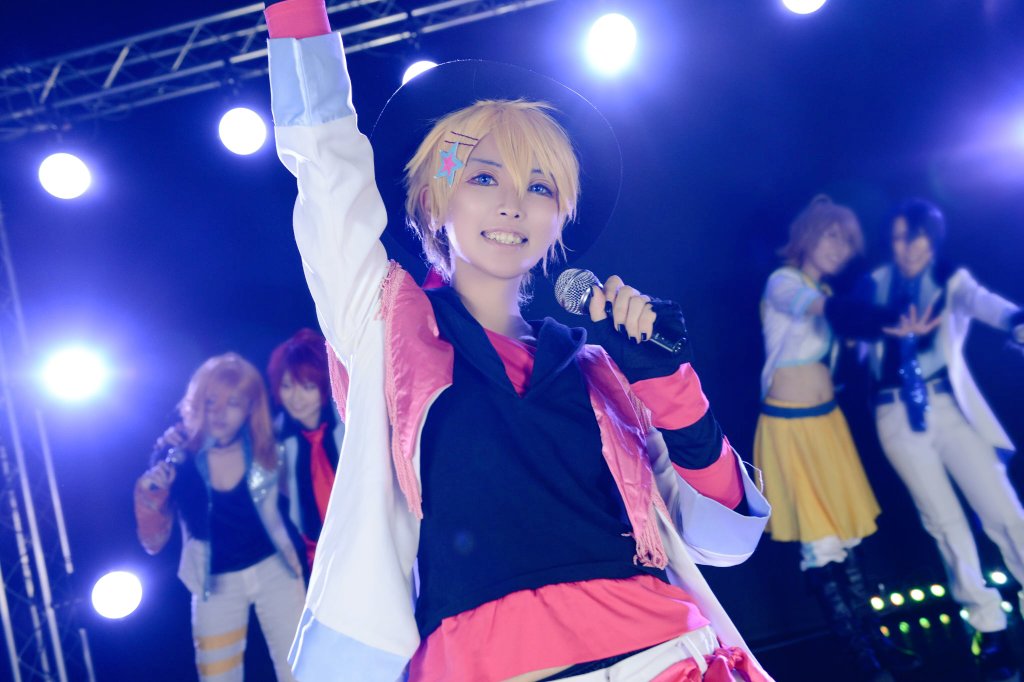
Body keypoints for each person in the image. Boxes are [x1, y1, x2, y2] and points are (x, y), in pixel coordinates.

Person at [265, 1, 772, 680]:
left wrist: (668, 386)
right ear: (432, 201)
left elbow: (726, 534)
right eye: (482, 177)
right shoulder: (385, 328)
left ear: (561, 216)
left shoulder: (598, 369)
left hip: (664, 656)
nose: (513, 203)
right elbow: (326, 172)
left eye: (540, 185)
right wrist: (295, 14)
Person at [753, 195, 925, 681]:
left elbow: (845, 326)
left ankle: (874, 640)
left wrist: (888, 328)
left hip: (828, 426)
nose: (840, 247)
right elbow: (831, 311)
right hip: (792, 431)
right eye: (832, 235)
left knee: (848, 539)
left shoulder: (822, 290)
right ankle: (858, 653)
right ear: (808, 235)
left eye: (848, 241)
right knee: (822, 544)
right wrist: (885, 317)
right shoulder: (785, 282)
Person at [861, 199, 1024, 681]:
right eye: (898, 238)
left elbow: (986, 304)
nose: (906, 247)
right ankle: (988, 628)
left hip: (948, 407)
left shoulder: (951, 280)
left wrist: (1016, 321)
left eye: (915, 237)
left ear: (932, 240)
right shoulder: (875, 283)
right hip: (895, 410)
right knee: (944, 523)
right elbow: (850, 328)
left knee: (1005, 512)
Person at [133, 353, 305, 682]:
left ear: (250, 406)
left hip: (275, 569)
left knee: (302, 669)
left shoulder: (267, 444)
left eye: (234, 403)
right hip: (214, 583)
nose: (220, 413)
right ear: (197, 401)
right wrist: (151, 495)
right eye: (211, 401)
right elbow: (152, 542)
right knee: (217, 676)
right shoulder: (176, 456)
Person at [267, 328, 346, 572]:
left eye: (308, 386)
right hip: (314, 559)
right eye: (287, 386)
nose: (296, 398)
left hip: (364, 537)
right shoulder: (274, 440)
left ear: (325, 385)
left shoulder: (348, 422)